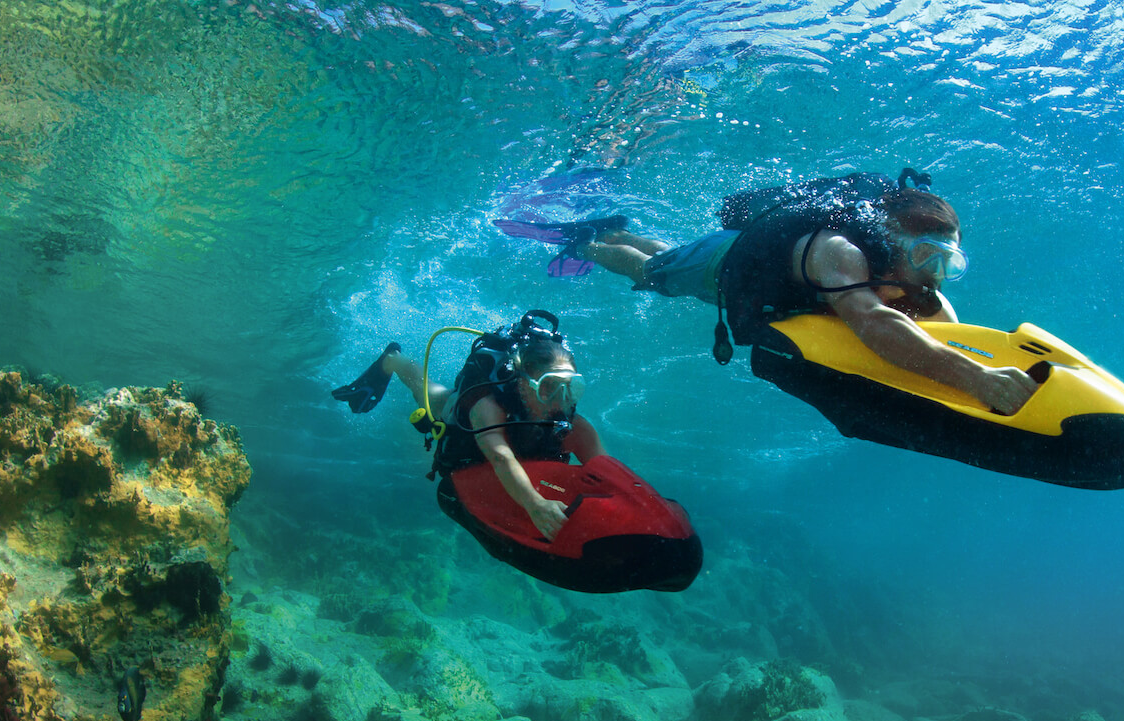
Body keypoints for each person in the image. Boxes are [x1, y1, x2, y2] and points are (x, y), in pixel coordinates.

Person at [513, 177, 1038, 415]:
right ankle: (593, 241)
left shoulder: (894, 264)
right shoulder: (840, 253)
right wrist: (975, 377)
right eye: (927, 256)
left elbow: (933, 313)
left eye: (949, 263)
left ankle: (616, 231)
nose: (936, 273)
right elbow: (874, 322)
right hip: (720, 266)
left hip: (737, 259)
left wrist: (970, 354)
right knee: (655, 271)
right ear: (888, 238)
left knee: (669, 253)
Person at [332, 313, 606, 540]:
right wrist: (535, 504)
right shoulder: (487, 407)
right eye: (548, 387)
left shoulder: (576, 425)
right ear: (523, 384)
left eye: (571, 388)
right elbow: (501, 456)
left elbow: (606, 471)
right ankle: (393, 359)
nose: (561, 399)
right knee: (424, 390)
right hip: (459, 417)